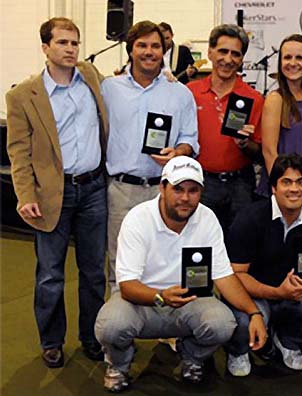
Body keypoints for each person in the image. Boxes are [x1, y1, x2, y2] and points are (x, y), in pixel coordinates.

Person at [94, 156, 267, 392]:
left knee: (223, 323)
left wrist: (254, 312)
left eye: (193, 190)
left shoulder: (207, 218)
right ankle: (119, 366)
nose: (185, 198)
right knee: (111, 325)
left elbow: (225, 277)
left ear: (201, 192)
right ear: (162, 188)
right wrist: (161, 296)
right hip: (143, 301)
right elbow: (127, 286)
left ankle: (192, 358)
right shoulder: (138, 218)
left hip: (190, 301)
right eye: (178, 189)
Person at [6, 17, 107, 368]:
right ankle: (51, 341)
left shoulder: (92, 77)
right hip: (52, 194)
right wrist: (24, 195)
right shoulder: (22, 95)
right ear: (45, 47)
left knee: (94, 271)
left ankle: (92, 336)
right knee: (50, 274)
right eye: (62, 43)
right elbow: (18, 150)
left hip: (94, 188)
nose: (70, 49)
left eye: (74, 43)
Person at [103, 20, 199, 292]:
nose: (149, 51)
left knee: (165, 259)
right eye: (142, 45)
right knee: (119, 261)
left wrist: (178, 152)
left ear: (164, 50)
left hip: (164, 189)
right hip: (121, 190)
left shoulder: (179, 93)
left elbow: (190, 139)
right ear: (130, 50)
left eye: (155, 46)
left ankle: (168, 331)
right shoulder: (109, 89)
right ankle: (121, 329)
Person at [225, 154, 302, 376]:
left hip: (298, 295)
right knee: (238, 320)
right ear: (273, 187)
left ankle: (287, 339)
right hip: (257, 293)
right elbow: (236, 276)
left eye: (300, 182)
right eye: (286, 182)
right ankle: (238, 350)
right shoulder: (249, 217)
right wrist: (277, 292)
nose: (294, 189)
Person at [187, 24, 263, 233]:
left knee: (238, 247)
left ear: (241, 60)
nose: (228, 59)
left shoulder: (253, 98)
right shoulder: (189, 93)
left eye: (235, 54)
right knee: (199, 246)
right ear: (210, 52)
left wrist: (245, 144)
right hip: (200, 182)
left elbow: (259, 152)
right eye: (222, 51)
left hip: (240, 185)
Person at [258, 34, 302, 209]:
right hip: (288, 191)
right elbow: (269, 151)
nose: (293, 63)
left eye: (300, 58)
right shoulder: (276, 99)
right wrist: (283, 189)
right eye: (287, 57)